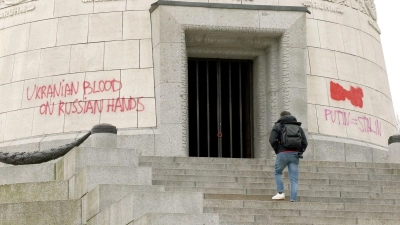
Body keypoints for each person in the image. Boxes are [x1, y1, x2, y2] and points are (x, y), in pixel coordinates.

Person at [269, 111, 308, 202]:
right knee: (294, 179)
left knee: (278, 172)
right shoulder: (298, 128)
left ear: (281, 116)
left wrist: (277, 150)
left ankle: (280, 193)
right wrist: (300, 151)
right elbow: (305, 143)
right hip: (295, 155)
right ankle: (293, 199)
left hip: (282, 153)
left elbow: (272, 140)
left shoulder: (278, 126)